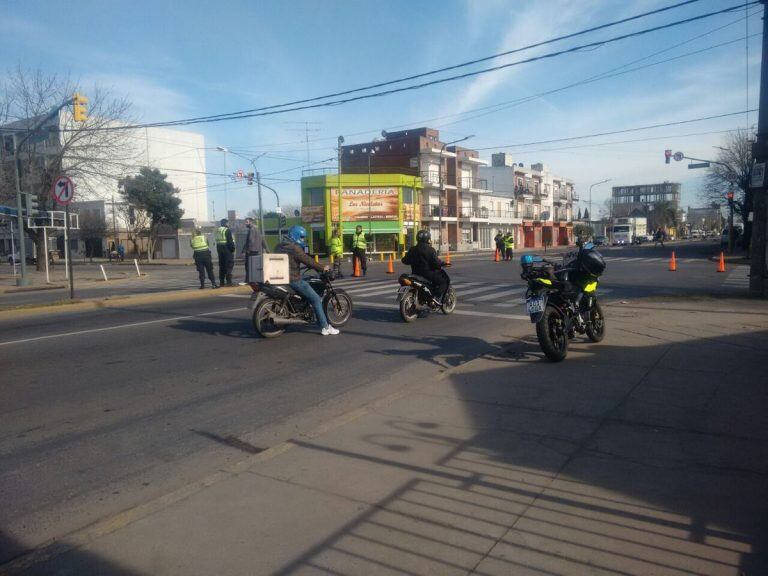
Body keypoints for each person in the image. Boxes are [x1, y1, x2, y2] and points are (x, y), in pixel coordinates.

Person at [276, 225, 339, 335]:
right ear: (296, 236)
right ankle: (325, 327)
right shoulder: (295, 248)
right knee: (316, 299)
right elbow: (308, 260)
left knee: (307, 282)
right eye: (302, 237)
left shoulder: (279, 246)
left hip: (280, 278)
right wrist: (323, 268)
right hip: (293, 279)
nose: (303, 240)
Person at [402, 229, 448, 303]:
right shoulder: (431, 250)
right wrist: (442, 264)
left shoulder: (412, 249)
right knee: (443, 282)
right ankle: (435, 297)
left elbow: (405, 261)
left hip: (415, 274)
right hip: (428, 275)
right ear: (428, 239)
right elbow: (436, 263)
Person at [243, 217, 269, 282]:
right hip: (258, 251)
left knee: (248, 266)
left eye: (247, 222)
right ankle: (256, 279)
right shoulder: (258, 229)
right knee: (257, 266)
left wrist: (247, 250)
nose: (245, 223)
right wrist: (267, 249)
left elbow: (250, 240)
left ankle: (248, 280)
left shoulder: (251, 229)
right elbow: (263, 240)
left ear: (251, 222)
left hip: (252, 251)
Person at [216, 218, 236, 286]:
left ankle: (222, 282)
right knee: (229, 265)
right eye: (228, 223)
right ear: (225, 223)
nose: (228, 224)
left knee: (222, 266)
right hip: (226, 249)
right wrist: (232, 249)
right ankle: (229, 281)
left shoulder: (217, 230)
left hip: (219, 249)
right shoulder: (227, 230)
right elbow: (230, 241)